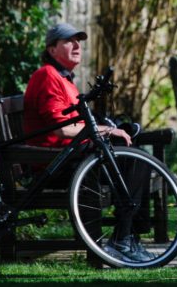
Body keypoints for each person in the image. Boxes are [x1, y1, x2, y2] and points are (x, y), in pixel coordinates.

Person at [23, 22, 151, 263]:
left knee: (136, 157)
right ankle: (123, 238)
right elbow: (62, 130)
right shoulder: (47, 76)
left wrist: (109, 128)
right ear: (52, 50)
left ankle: (128, 236)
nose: (77, 45)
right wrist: (105, 131)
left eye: (78, 41)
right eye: (69, 41)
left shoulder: (64, 79)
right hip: (54, 164)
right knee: (135, 162)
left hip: (73, 158)